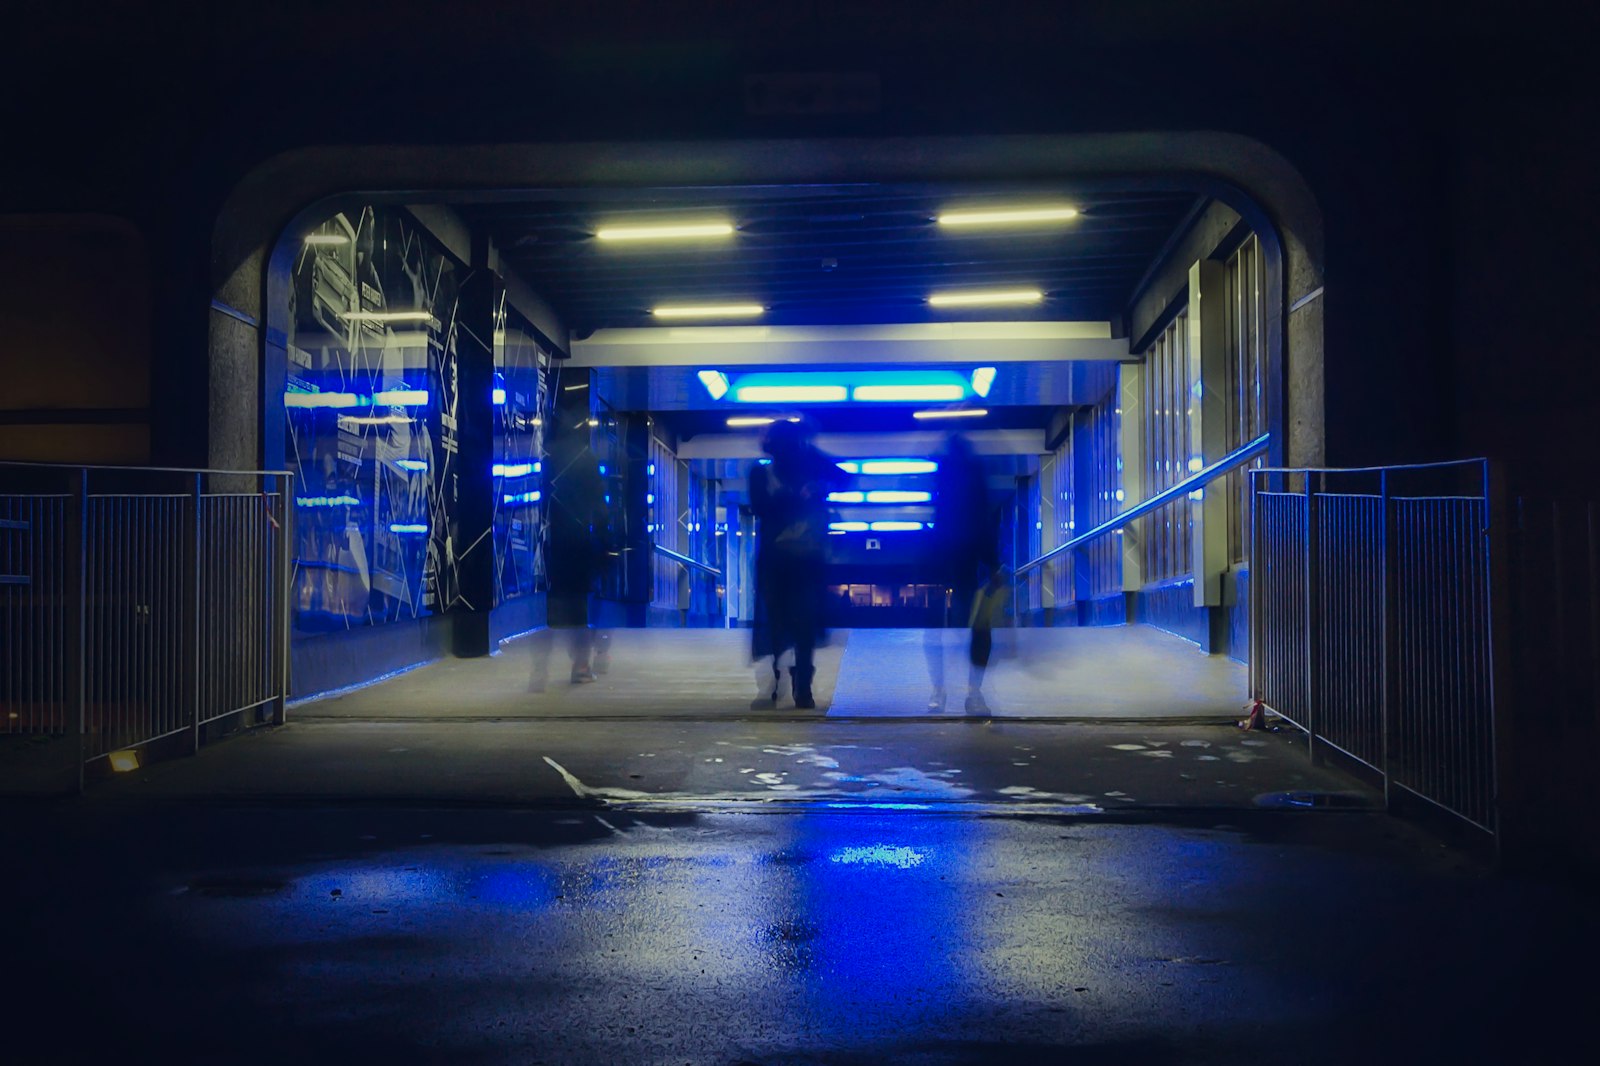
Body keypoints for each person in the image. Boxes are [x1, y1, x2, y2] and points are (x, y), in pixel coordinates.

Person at [747, 418, 845, 710]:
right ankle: (802, 687)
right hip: (806, 558)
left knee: (778, 619)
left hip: (777, 558)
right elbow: (844, 477)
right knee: (803, 621)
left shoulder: (761, 473)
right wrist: (804, 494)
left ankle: (779, 682)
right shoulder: (803, 469)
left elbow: (759, 508)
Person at [924, 431, 1003, 714]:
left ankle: (939, 691)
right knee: (979, 627)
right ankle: (974, 692)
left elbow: (938, 516)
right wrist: (993, 563)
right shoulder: (974, 472)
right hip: (971, 559)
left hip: (945, 558)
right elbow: (985, 519)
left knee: (936, 629)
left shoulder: (944, 474)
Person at [531, 416, 611, 689]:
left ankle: (539, 671)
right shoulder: (587, 460)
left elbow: (539, 500)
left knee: (553, 606)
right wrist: (605, 542)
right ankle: (581, 666)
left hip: (554, 542)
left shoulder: (549, 461)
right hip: (580, 542)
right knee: (579, 607)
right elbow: (600, 508)